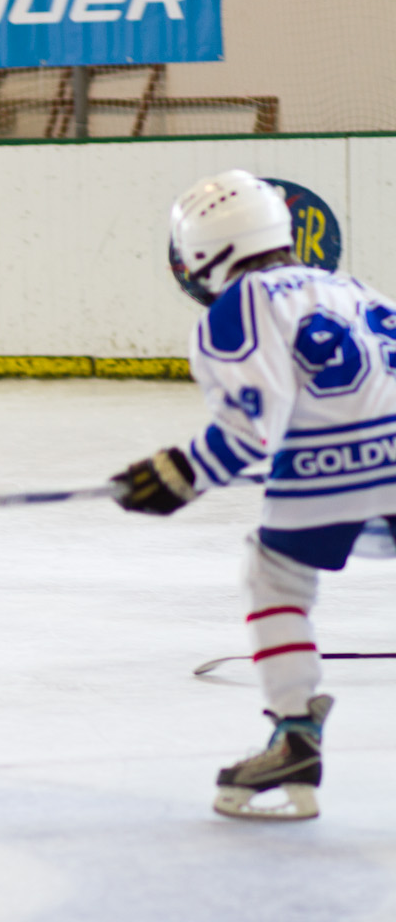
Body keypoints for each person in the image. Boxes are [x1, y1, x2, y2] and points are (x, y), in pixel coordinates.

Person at [111, 169, 396, 820]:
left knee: (275, 576)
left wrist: (179, 474)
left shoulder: (240, 305)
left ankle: (294, 733)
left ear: (201, 252)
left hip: (334, 469)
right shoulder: (353, 288)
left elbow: (251, 429)